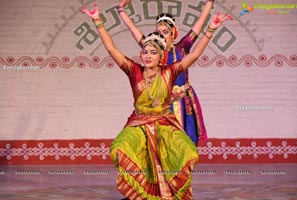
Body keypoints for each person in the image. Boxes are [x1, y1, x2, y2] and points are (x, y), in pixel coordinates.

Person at [81, 4, 231, 200]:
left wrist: (212, 27)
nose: (147, 55)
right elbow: (111, 48)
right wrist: (97, 20)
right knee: (120, 148)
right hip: (139, 125)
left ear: (161, 57)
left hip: (164, 124)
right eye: (144, 52)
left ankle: (167, 194)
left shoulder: (170, 72)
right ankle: (141, 192)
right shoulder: (133, 70)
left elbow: (194, 55)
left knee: (186, 152)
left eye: (152, 52)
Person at [116, 0, 215, 145]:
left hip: (182, 101)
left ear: (173, 33)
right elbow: (133, 30)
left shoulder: (182, 48)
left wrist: (209, 3)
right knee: (162, 143)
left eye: (165, 32)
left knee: (186, 142)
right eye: (158, 32)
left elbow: (199, 25)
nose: (161, 35)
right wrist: (121, 9)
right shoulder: (152, 50)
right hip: (160, 103)